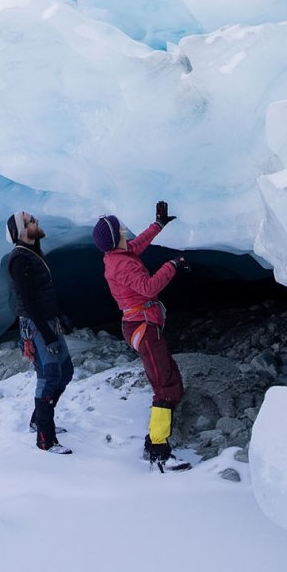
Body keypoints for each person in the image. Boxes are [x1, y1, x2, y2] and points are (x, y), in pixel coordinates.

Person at [93, 200, 191, 470]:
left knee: (168, 377)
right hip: (142, 327)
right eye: (121, 229)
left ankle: (160, 434)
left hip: (144, 323)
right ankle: (158, 450)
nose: (125, 231)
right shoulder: (121, 266)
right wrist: (172, 265)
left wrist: (157, 225)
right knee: (164, 386)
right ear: (115, 237)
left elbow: (138, 245)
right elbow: (149, 288)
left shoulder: (118, 255)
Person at [6, 210, 74, 454]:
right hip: (36, 326)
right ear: (21, 232)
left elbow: (44, 293)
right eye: (30, 221)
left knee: (65, 371)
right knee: (49, 377)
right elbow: (28, 300)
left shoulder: (33, 253)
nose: (36, 222)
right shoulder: (19, 259)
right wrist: (46, 334)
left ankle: (39, 420)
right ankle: (46, 439)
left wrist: (60, 316)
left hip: (48, 322)